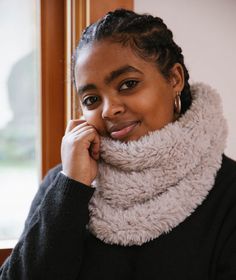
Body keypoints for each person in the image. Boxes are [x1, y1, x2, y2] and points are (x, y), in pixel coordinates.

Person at [1, 8, 236, 280]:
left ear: (175, 79)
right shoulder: (63, 186)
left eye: (128, 84)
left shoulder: (228, 194)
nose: (108, 110)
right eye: (91, 100)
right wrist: (71, 188)